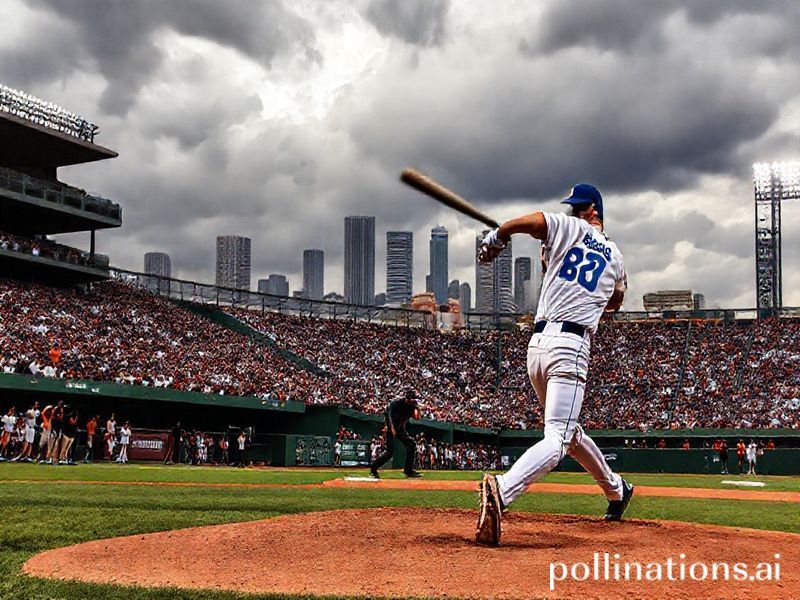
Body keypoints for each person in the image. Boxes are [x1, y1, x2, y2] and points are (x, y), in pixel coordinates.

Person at [475, 184, 632, 546]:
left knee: (566, 434)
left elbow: (534, 222)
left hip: (539, 346)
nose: (573, 212)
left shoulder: (571, 227)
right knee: (562, 434)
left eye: (577, 207)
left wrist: (499, 234)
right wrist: (582, 285)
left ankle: (615, 490)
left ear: (592, 211)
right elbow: (615, 300)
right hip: (570, 345)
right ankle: (503, 491)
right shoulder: (615, 255)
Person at [369, 388, 422, 479]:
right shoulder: (396, 403)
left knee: (411, 445)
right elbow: (389, 416)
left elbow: (417, 418)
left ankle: (408, 471)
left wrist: (417, 408)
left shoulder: (412, 406)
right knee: (389, 452)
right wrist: (392, 429)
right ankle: (373, 469)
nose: (414, 401)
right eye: (412, 399)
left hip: (400, 427)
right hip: (390, 426)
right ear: (407, 399)